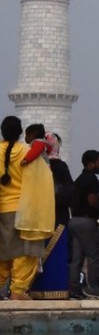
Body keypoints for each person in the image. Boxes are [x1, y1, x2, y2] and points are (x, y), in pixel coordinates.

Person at [0, 117, 45, 300]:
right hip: (23, 210)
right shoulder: (27, 152)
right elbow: (40, 181)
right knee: (23, 253)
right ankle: (18, 291)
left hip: (2, 209)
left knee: (3, 252)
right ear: (20, 133)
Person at [30, 131, 74, 299]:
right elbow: (70, 193)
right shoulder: (60, 166)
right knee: (56, 259)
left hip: (36, 218)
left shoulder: (33, 164)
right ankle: (55, 290)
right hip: (58, 218)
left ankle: (35, 290)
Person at [69, 150, 99, 299]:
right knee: (93, 256)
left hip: (74, 221)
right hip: (87, 221)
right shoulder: (92, 180)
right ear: (91, 164)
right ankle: (93, 288)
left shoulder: (78, 180)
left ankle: (74, 289)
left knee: (76, 259)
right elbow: (92, 201)